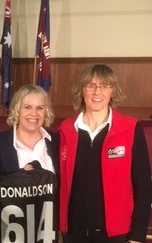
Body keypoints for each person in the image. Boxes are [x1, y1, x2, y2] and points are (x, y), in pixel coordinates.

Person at [58, 64, 151, 243]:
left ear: (112, 91)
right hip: (74, 232)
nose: (97, 92)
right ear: (82, 90)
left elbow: (144, 187)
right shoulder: (66, 130)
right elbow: (60, 182)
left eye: (104, 85)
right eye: (91, 85)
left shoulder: (130, 128)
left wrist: (138, 236)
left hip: (116, 234)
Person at [0, 84, 59, 243]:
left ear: (46, 112)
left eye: (40, 108)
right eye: (27, 107)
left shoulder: (55, 142)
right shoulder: (0, 144)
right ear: (17, 110)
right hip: (8, 234)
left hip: (46, 234)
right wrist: (17, 178)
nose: (34, 114)